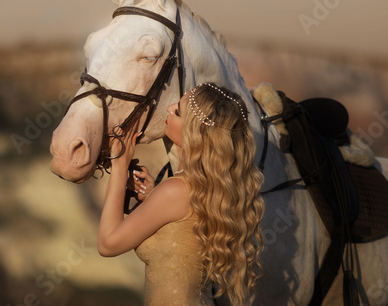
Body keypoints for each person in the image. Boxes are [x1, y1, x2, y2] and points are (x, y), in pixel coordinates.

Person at [98, 82, 265, 305]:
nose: (168, 109)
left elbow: (108, 244)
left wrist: (119, 166)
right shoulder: (209, 187)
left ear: (194, 133)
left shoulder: (175, 191)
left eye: (177, 112)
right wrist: (151, 197)